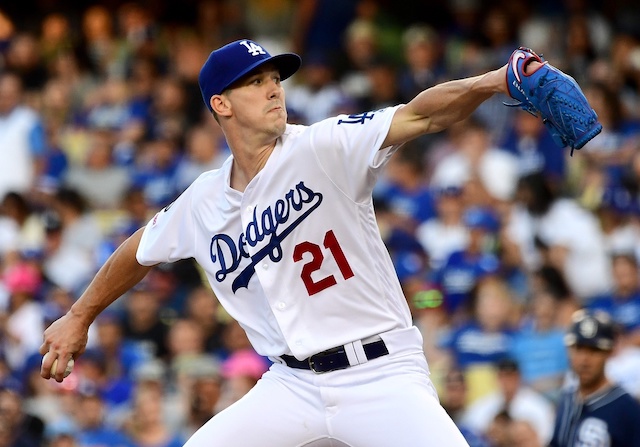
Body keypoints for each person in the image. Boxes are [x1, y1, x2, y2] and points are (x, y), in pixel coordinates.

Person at [40, 38, 546, 446]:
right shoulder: (203, 200)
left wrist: (495, 79)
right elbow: (138, 250)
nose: (273, 89)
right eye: (255, 82)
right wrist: (80, 315)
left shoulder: (322, 146)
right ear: (221, 104)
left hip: (380, 374)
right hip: (292, 384)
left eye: (275, 78)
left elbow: (422, 116)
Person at [549, 309, 640, 446]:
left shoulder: (626, 408)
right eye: (579, 349)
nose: (585, 360)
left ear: (608, 353)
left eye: (593, 350)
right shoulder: (567, 398)